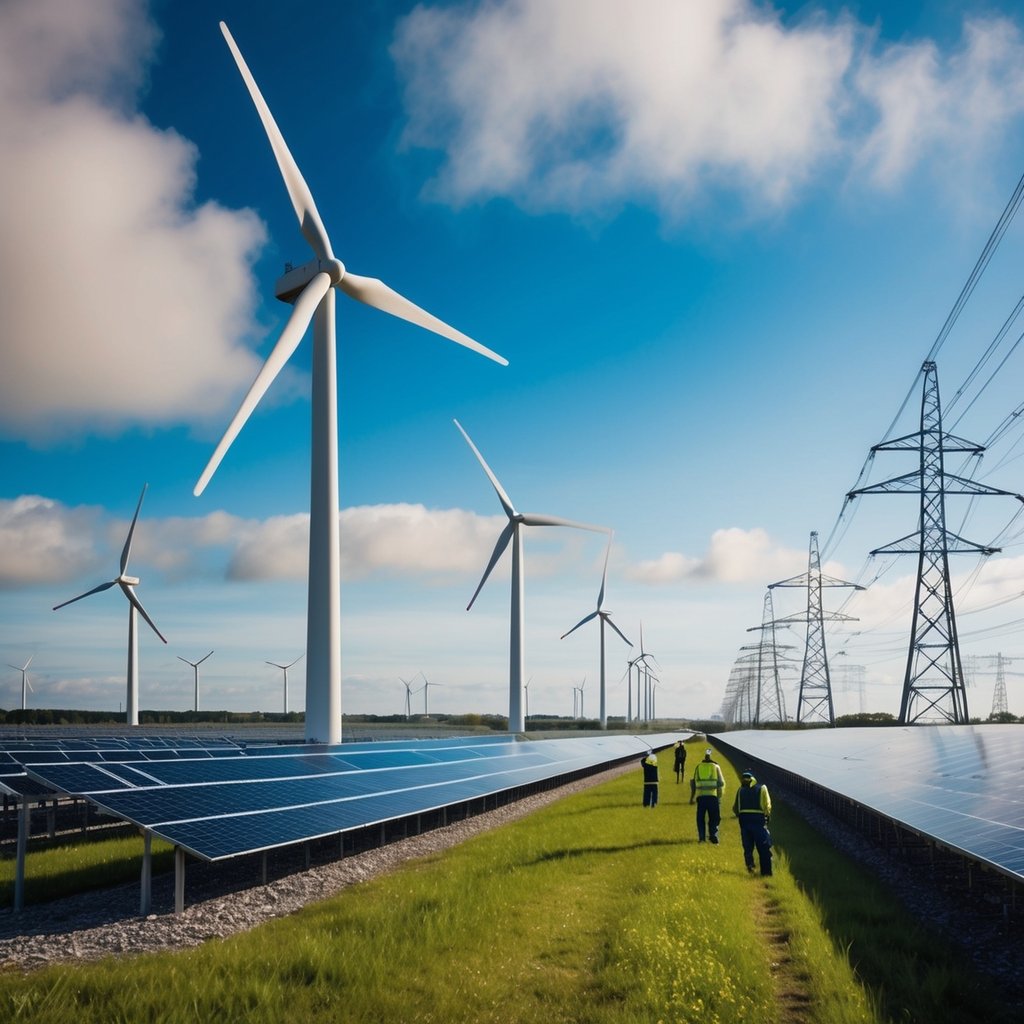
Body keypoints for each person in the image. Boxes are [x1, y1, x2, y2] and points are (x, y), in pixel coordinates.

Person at [732, 770, 773, 876]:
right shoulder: (762, 788)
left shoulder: (740, 790)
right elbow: (767, 806)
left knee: (748, 847)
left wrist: (740, 815)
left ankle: (750, 867)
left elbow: (735, 808)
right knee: (763, 847)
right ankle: (766, 873)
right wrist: (767, 817)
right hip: (758, 821)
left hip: (744, 822)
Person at [689, 747, 725, 843]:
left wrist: (691, 798)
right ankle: (713, 836)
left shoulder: (698, 767)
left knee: (700, 819)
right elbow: (721, 783)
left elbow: (694, 783)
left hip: (701, 797)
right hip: (713, 796)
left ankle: (701, 838)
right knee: (714, 817)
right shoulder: (716, 767)